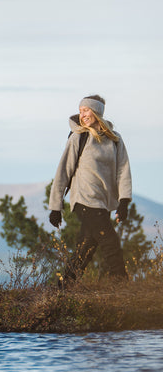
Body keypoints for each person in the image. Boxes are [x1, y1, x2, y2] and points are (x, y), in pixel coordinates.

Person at [49, 95, 132, 285]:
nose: (83, 114)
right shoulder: (79, 137)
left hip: (103, 201)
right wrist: (55, 207)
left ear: (97, 112)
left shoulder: (115, 139)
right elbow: (63, 171)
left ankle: (65, 286)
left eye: (86, 110)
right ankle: (121, 283)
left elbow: (123, 170)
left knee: (87, 246)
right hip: (84, 199)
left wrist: (124, 202)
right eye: (80, 111)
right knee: (110, 241)